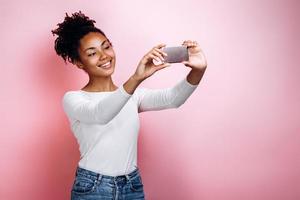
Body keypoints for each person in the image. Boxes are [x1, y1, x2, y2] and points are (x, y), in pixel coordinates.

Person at [51, 10, 207, 200]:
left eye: (106, 47)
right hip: (93, 188)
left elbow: (173, 99)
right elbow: (101, 114)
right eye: (92, 53)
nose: (104, 56)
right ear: (78, 62)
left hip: (132, 186)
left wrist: (199, 70)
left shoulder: (133, 96)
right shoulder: (73, 99)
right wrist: (136, 78)